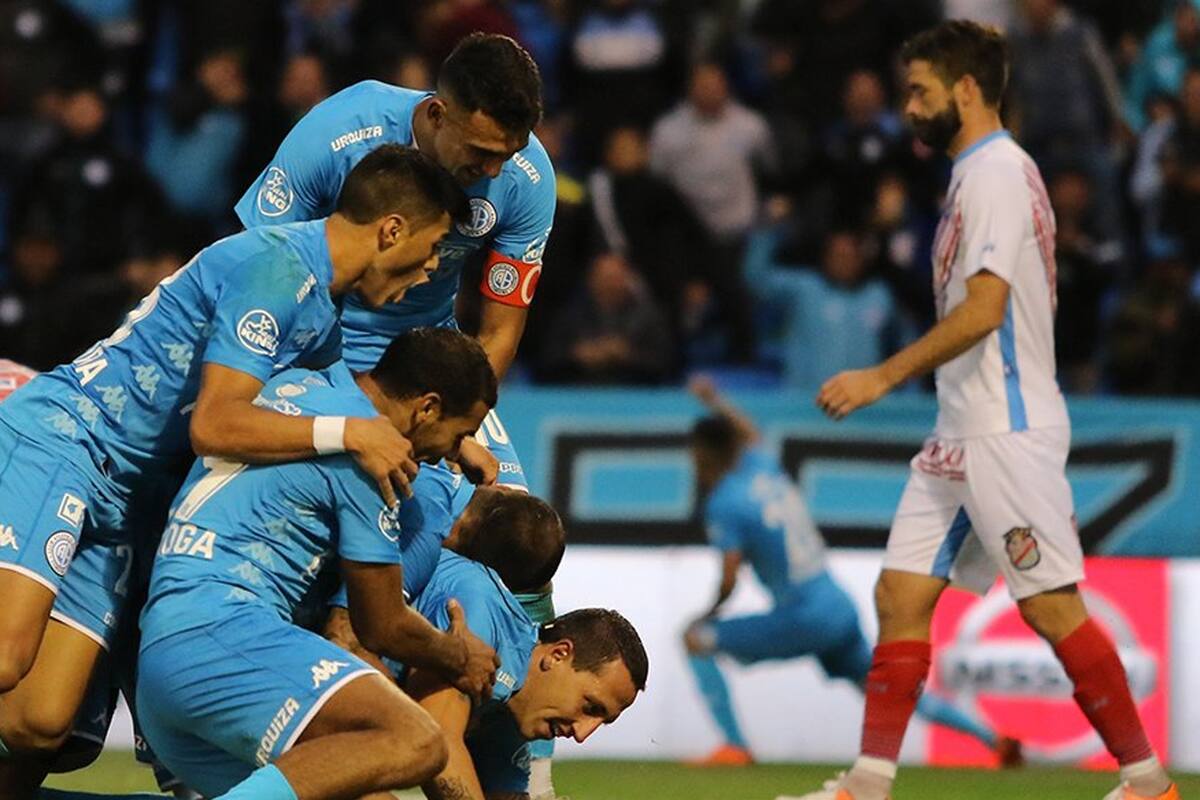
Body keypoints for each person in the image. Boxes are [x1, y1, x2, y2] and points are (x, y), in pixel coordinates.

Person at [787, 21, 1180, 800]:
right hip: (961, 430)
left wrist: (881, 376)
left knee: (1050, 605)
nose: (910, 106)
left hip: (1005, 428)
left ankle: (1147, 782)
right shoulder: (973, 173)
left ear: (965, 90)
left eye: (921, 90)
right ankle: (868, 783)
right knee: (901, 594)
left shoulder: (995, 174)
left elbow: (985, 309)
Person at [0, 144, 468, 798]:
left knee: (38, 724)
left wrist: (458, 438)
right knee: (5, 657)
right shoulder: (277, 271)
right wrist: (349, 434)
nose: (429, 273)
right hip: (72, 441)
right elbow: (215, 424)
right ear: (392, 229)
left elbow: (356, 400)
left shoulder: (320, 312)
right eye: (434, 248)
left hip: (129, 501)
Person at [136, 328, 501, 800]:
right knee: (417, 739)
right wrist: (459, 656)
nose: (456, 452)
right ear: (426, 408)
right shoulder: (372, 453)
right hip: (223, 635)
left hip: (165, 659)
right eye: (461, 434)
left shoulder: (296, 387)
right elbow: (382, 625)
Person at [682, 378, 1018, 768]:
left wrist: (709, 611)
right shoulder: (762, 467)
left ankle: (735, 747)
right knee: (888, 689)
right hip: (836, 606)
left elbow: (728, 576)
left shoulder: (724, 502)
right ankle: (993, 739)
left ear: (705, 456)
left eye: (695, 457)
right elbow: (749, 432)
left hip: (801, 615)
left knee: (695, 639)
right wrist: (716, 400)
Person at [236, 32, 552, 383]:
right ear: (437, 115)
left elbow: (499, 333)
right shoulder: (338, 132)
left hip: (427, 353)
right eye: (482, 151)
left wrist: (458, 419)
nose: (494, 170)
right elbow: (260, 265)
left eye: (507, 154)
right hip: (310, 343)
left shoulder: (528, 179)